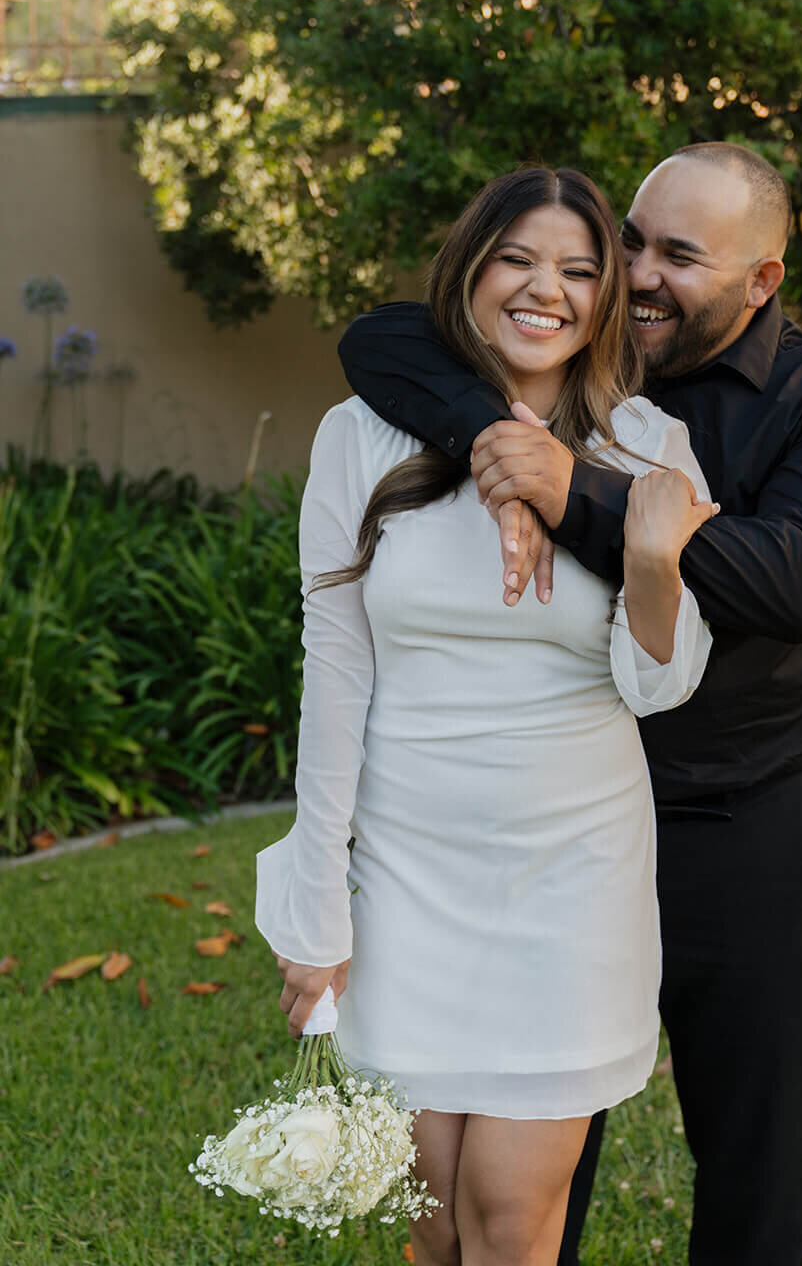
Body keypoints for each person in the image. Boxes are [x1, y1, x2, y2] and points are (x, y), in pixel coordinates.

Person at [336, 142, 802, 1266]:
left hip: (737, 824)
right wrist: (504, 440)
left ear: (761, 281)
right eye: (629, 241)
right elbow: (379, 340)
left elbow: (798, 579)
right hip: (558, 826)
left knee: (752, 1151)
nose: (637, 273)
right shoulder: (582, 354)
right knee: (529, 1158)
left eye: (677, 255)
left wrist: (575, 495)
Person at [254, 166, 717, 1266]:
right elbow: (335, 674)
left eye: (575, 269)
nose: (542, 290)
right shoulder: (358, 438)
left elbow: (660, 685)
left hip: (571, 873)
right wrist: (315, 908)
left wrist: (651, 561)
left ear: (604, 298)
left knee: (509, 1217)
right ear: (467, 272)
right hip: (407, 870)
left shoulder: (648, 446)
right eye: (515, 259)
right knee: (430, 1217)